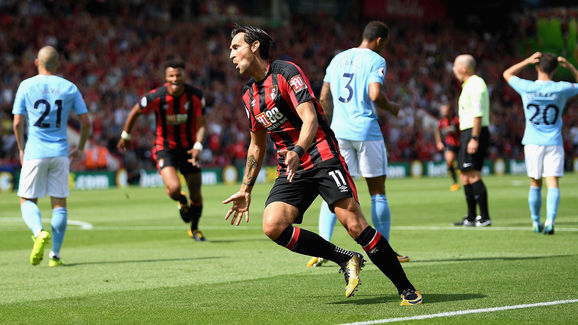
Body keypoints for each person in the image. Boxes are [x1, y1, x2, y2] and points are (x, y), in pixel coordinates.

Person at [223, 24, 422, 305]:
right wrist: (246, 189)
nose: (231, 54)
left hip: (320, 155)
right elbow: (256, 145)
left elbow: (310, 119)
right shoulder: (248, 95)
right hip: (291, 167)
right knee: (273, 225)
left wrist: (299, 148)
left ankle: (406, 288)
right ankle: (344, 258)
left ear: (254, 47)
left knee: (354, 225)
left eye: (235, 47)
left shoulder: (286, 73)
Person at [306, 21, 408, 268]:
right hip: (366, 132)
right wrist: (392, 107)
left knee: (332, 192)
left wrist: (326, 127)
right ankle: (386, 251)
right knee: (378, 193)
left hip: (339, 133)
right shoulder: (375, 60)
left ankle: (321, 250)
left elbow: (323, 97)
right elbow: (374, 94)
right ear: (380, 41)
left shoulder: (337, 59)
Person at [12, 45, 90, 267]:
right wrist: (81, 147)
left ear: (37, 62)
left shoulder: (26, 85)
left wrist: (21, 148)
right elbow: (85, 121)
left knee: (27, 199)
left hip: (35, 151)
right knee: (59, 204)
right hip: (60, 152)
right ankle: (55, 256)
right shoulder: (69, 87)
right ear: (58, 64)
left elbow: (18, 122)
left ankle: (38, 233)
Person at [118, 59, 207, 241]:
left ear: (184, 75)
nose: (175, 79)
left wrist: (198, 145)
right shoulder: (156, 96)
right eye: (171, 76)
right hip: (165, 148)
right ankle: (181, 201)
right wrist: (126, 135)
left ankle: (195, 229)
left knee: (196, 194)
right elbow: (135, 111)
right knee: (174, 188)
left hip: (189, 149)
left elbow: (202, 125)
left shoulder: (195, 96)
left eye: (178, 75)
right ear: (166, 78)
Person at [503, 52, 578, 234]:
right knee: (552, 183)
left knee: (535, 183)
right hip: (553, 142)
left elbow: (507, 74)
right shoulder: (561, 88)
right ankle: (550, 221)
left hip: (532, 142)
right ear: (555, 69)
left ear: (537, 67)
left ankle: (536, 222)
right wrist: (568, 66)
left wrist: (526, 60)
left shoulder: (526, 87)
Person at [451, 54, 492, 227]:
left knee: (473, 173)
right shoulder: (468, 85)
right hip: (467, 132)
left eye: (455, 66)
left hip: (475, 132)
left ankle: (484, 217)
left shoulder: (476, 83)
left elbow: (478, 113)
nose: (453, 70)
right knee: (465, 176)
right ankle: (471, 216)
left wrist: (474, 138)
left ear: (463, 68)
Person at [434, 103, 461, 192]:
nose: (443, 112)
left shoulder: (457, 120)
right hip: (451, 144)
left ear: (450, 111)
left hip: (460, 144)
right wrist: (439, 142)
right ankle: (455, 182)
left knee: (462, 164)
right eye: (442, 111)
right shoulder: (442, 121)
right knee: (449, 161)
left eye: (445, 111)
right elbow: (437, 131)